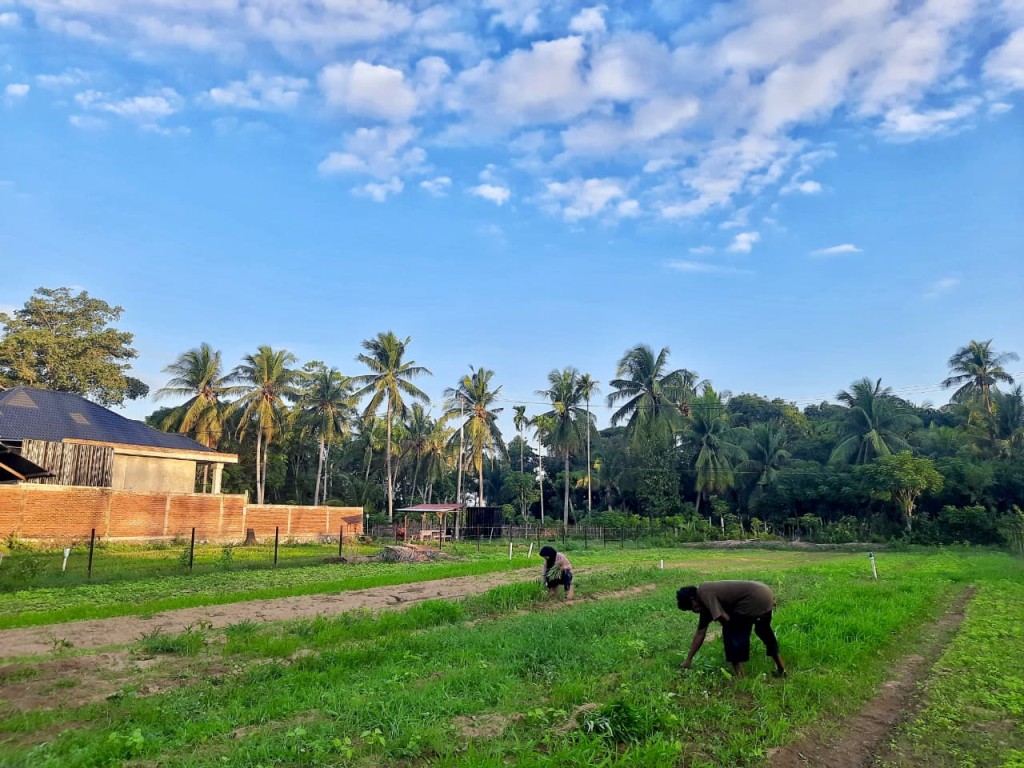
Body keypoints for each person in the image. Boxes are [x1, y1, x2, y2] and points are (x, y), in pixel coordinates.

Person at [676, 581, 785, 678]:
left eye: (692, 607)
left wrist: (732, 632)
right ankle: (781, 669)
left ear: (692, 598)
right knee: (763, 631)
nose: (695, 611)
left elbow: (725, 618)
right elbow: (700, 633)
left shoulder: (703, 591)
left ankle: (740, 677)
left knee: (730, 634)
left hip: (753, 598)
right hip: (765, 593)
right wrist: (688, 659)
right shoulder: (707, 601)